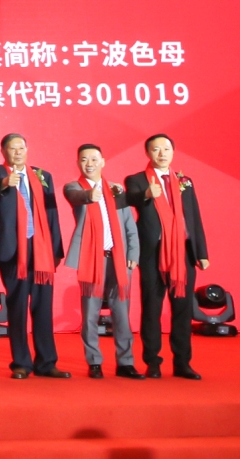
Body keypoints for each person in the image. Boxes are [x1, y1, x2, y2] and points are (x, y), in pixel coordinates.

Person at [125, 134, 210, 380]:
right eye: (156, 149)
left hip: (183, 252)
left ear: (173, 152)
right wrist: (146, 194)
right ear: (147, 153)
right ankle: (153, 362)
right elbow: (129, 199)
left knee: (183, 309)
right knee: (152, 308)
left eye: (166, 149)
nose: (162, 153)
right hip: (153, 253)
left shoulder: (184, 181)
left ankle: (182, 363)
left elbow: (194, 217)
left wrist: (202, 252)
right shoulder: (137, 180)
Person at [0, 133, 68, 379]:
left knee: (43, 306)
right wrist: (6, 182)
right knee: (18, 305)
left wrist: (55, 249)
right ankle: (21, 363)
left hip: (41, 248)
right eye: (13, 148)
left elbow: (52, 213)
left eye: (21, 148)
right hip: (12, 249)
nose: (18, 152)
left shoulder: (43, 176)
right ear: (3, 151)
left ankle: (47, 363)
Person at [63, 144, 140, 379]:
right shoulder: (74, 187)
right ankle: (94, 362)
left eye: (94, 159)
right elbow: (75, 197)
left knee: (121, 312)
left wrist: (133, 254)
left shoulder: (116, 190)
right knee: (90, 314)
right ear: (78, 163)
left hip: (119, 259)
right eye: (84, 159)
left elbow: (129, 225)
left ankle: (125, 362)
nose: (89, 164)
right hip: (91, 258)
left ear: (103, 161)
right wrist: (90, 195)